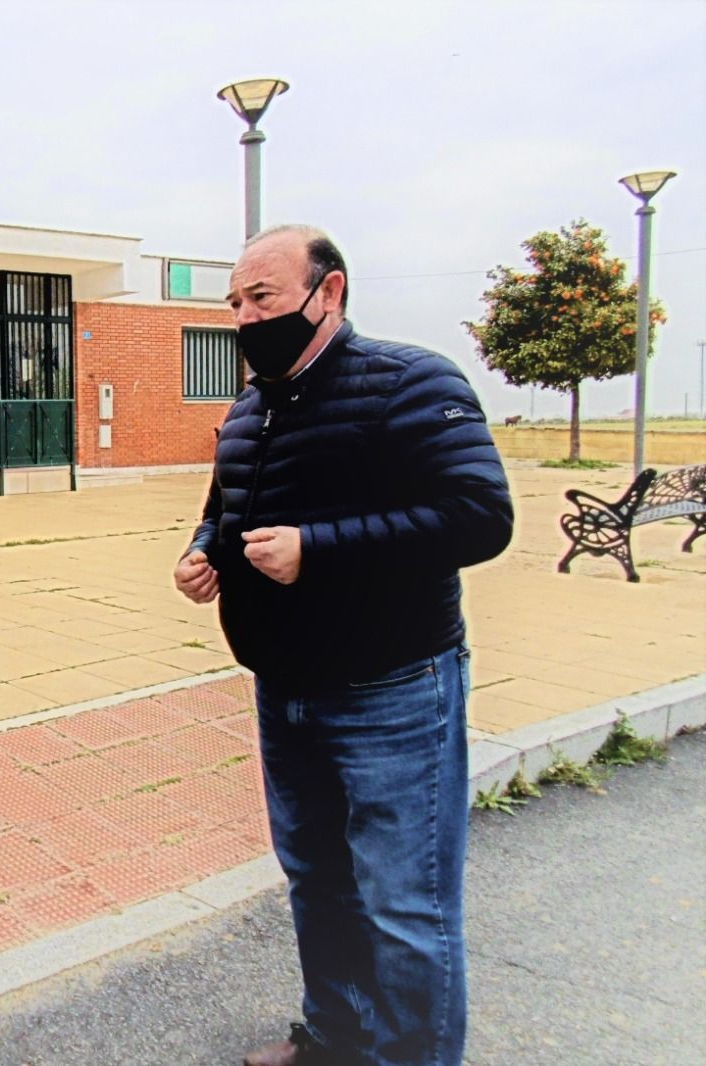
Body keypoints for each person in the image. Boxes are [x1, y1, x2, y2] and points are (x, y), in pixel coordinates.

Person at [173, 226, 512, 1066]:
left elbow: (480, 516)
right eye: (235, 304)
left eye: (264, 299)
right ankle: (337, 1036)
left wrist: (318, 548)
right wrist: (203, 551)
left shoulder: (412, 382)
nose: (246, 319)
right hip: (284, 687)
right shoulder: (251, 406)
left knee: (406, 905)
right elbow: (232, 504)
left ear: (329, 293)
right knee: (318, 882)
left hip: (392, 686)